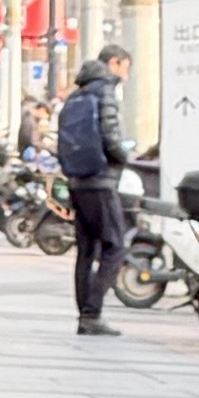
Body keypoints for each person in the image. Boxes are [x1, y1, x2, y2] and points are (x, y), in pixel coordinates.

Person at [53, 39, 136, 334]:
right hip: (101, 180)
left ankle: (85, 315)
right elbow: (110, 136)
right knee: (115, 246)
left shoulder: (77, 94)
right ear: (114, 63)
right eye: (125, 68)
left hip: (77, 180)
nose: (125, 75)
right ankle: (92, 312)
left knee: (86, 250)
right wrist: (125, 157)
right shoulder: (105, 91)